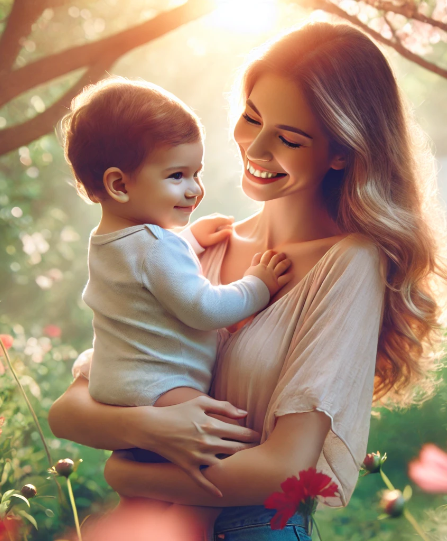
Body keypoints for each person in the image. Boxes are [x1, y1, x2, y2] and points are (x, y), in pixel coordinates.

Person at [48, 21, 447, 540]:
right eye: (251, 117)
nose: (256, 147)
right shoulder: (193, 243)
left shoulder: (349, 264)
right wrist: (146, 428)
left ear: (341, 151)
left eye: (288, 138)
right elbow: (71, 407)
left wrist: (125, 469)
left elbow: (284, 469)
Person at [60, 77, 295, 537]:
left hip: (120, 383)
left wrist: (189, 238)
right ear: (118, 185)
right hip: (160, 385)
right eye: (177, 176)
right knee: (222, 447)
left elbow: (145, 274)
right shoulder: (154, 246)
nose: (195, 189)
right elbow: (201, 307)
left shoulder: (109, 241)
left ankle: (140, 523)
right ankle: (193, 526)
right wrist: (258, 285)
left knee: (151, 487)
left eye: (196, 173)